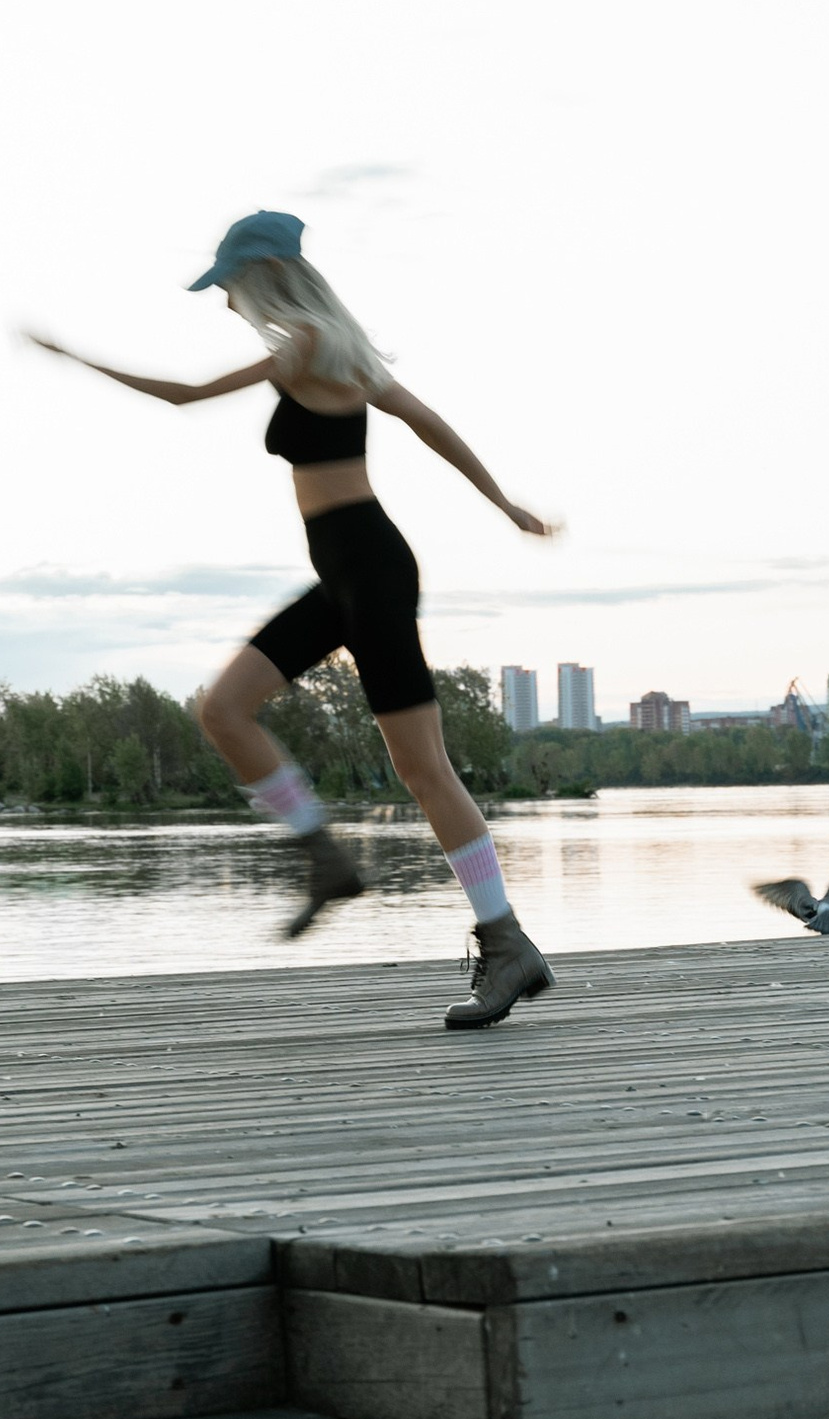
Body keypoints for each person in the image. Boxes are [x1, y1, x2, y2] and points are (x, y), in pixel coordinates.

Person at [28, 211, 560, 1028]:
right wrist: (502, 503)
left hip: (372, 572)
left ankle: (507, 944)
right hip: (347, 572)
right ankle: (325, 861)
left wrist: (75, 357)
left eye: (229, 287)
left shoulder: (307, 342)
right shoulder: (335, 348)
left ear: (263, 276)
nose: (226, 303)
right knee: (222, 709)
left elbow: (184, 397)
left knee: (424, 770)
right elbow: (428, 423)